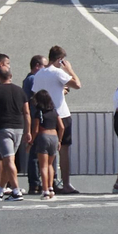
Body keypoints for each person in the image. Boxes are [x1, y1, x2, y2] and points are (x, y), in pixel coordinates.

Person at [28, 46, 82, 193]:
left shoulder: (39, 74)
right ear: (59, 59)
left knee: (46, 152)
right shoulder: (58, 72)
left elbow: (35, 94)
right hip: (61, 114)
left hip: (45, 115)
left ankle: (48, 184)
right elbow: (77, 84)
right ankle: (66, 184)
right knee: (63, 150)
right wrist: (69, 70)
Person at [0, 59, 28, 201]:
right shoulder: (20, 91)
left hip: (3, 128)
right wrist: (28, 131)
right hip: (18, 128)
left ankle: (16, 190)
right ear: (11, 76)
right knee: (8, 158)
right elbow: (26, 112)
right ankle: (0, 189)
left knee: (8, 159)